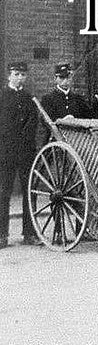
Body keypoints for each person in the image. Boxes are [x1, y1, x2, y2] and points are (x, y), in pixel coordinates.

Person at [0, 62, 39, 247]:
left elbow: (33, 124)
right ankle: (2, 235)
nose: (19, 77)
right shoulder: (2, 96)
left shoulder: (29, 98)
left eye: (22, 75)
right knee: (3, 192)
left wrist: (25, 141)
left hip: (25, 151)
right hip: (6, 152)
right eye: (16, 74)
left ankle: (29, 233)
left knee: (28, 191)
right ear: (9, 76)